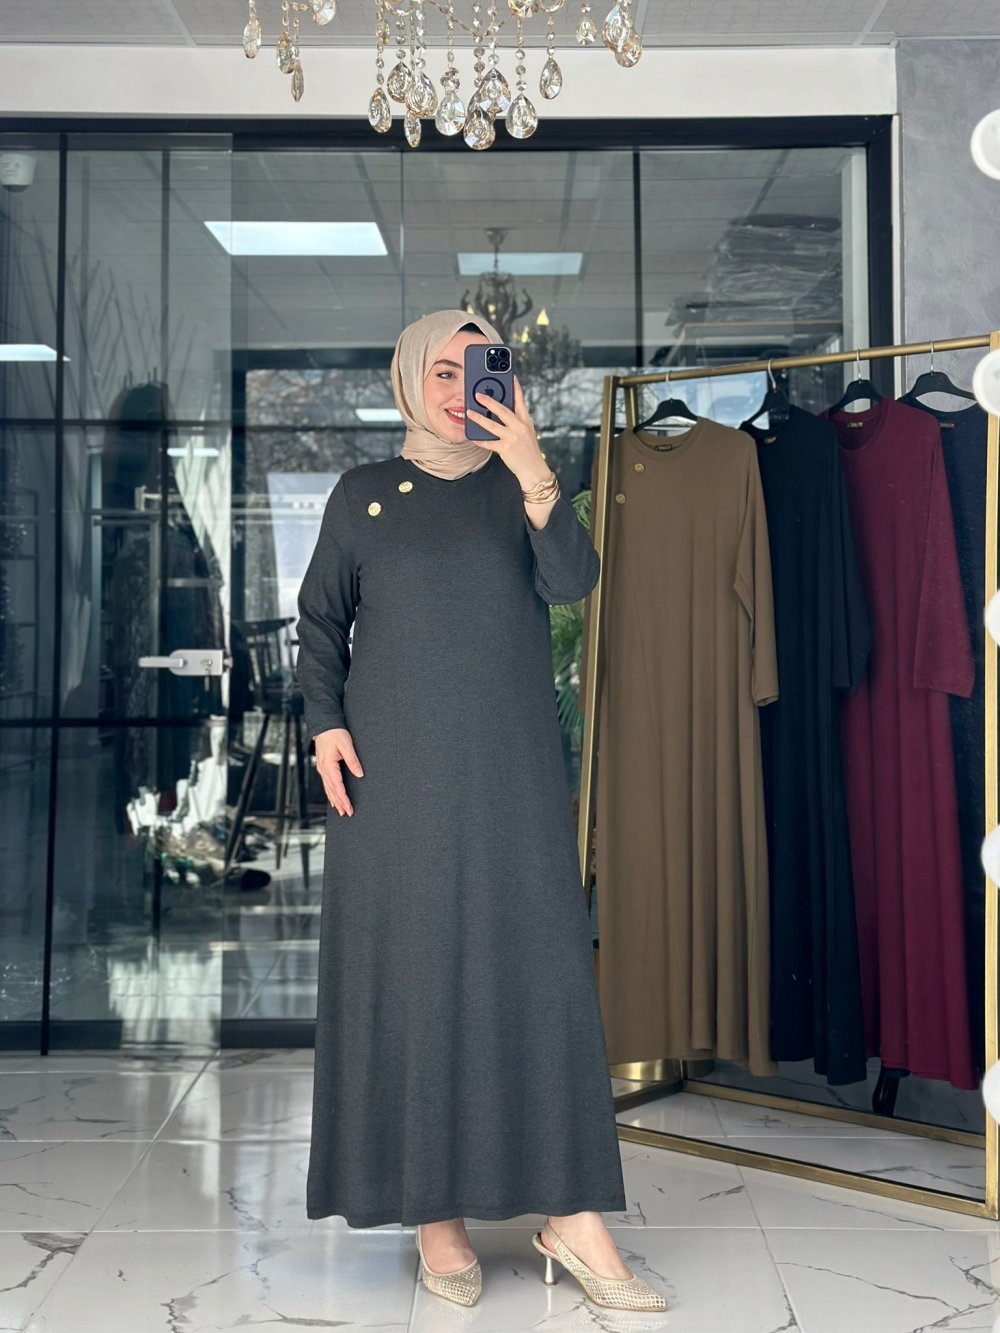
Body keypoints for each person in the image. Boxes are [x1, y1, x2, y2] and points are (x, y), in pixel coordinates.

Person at [295, 309, 666, 1313]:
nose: (463, 391)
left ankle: (571, 1214)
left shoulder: (518, 487)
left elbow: (574, 582)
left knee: (536, 970)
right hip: (392, 780)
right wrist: (324, 724)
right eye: (444, 373)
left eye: (481, 370)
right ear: (410, 379)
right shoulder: (363, 494)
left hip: (512, 777)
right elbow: (320, 621)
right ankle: (437, 1217)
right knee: (417, 974)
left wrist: (536, 471)